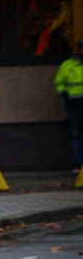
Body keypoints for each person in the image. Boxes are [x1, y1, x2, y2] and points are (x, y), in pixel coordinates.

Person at [54, 37, 83, 171]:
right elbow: (59, 83)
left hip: (75, 102)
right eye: (81, 47)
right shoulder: (67, 65)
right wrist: (64, 94)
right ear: (78, 49)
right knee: (75, 133)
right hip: (73, 103)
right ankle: (77, 163)